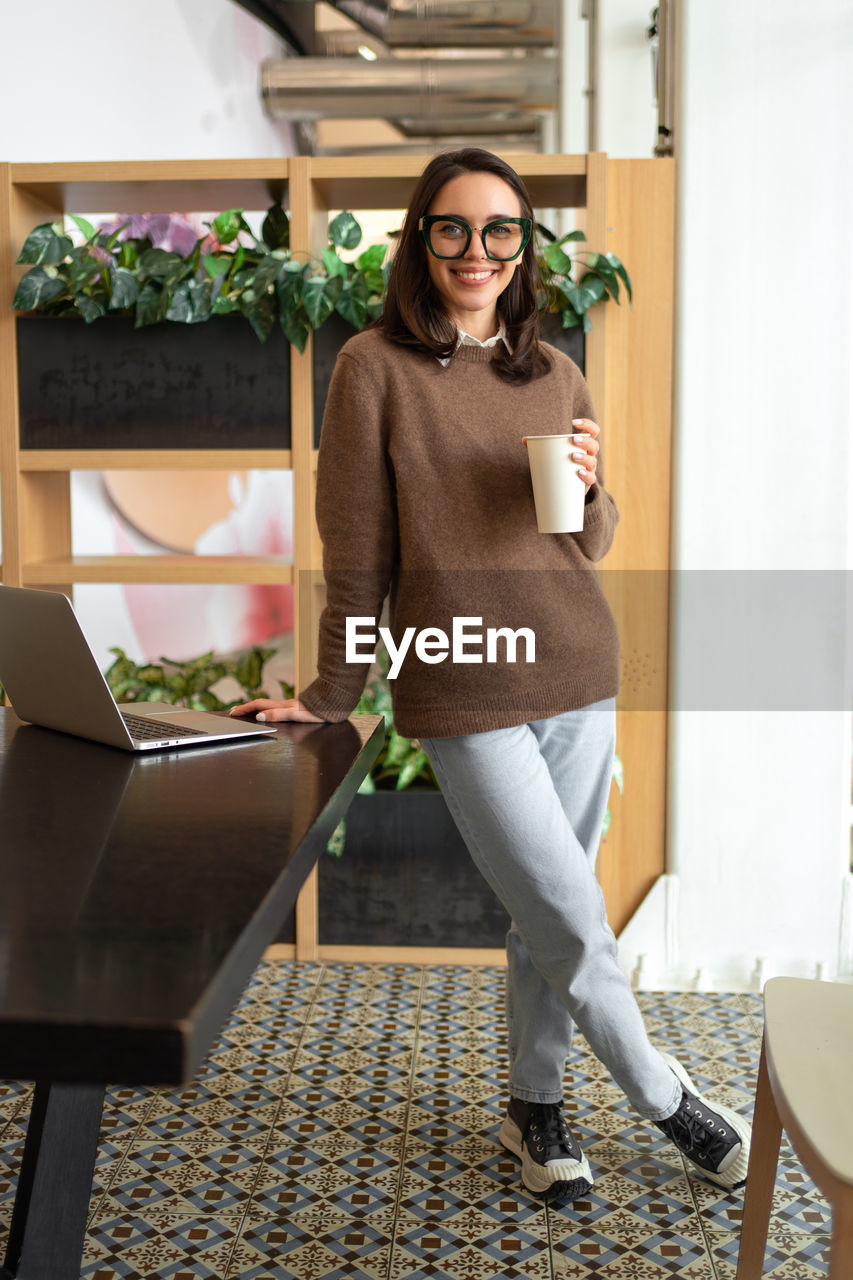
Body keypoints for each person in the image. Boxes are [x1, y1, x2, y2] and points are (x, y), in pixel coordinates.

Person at [232, 148, 752, 1200]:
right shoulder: (370, 369)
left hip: (575, 660)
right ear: (421, 240)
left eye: (500, 230)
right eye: (455, 229)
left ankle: (535, 1105)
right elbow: (357, 546)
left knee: (542, 908)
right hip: (461, 681)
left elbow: (587, 542)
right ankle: (666, 1098)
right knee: (567, 908)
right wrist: (331, 688)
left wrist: (593, 489)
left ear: (524, 245)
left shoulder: (551, 370)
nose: (479, 251)